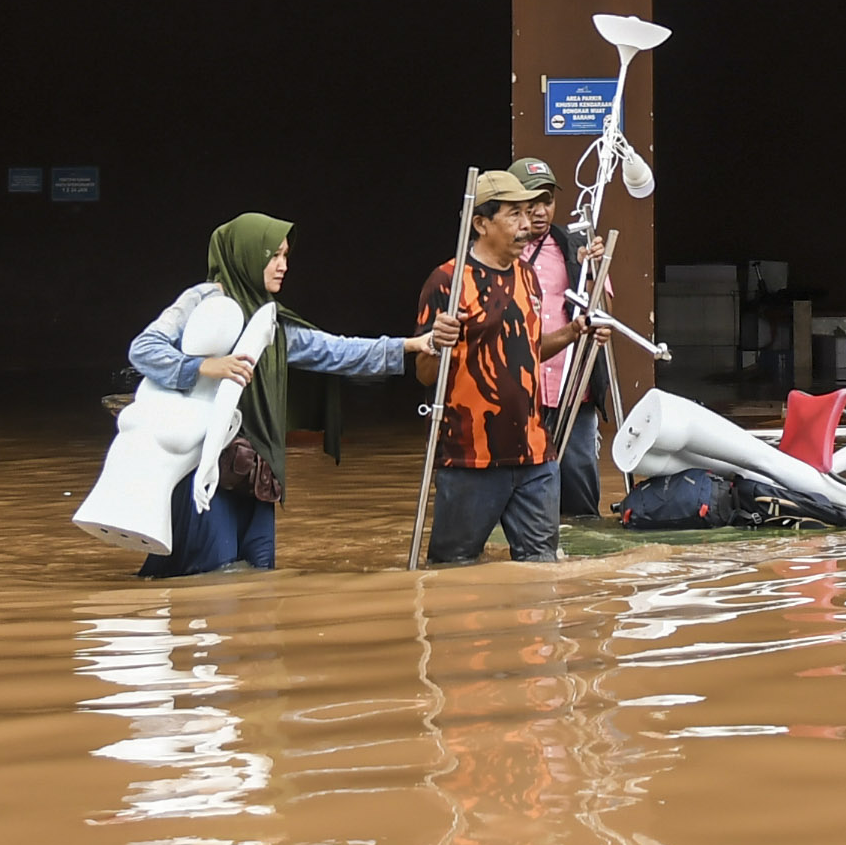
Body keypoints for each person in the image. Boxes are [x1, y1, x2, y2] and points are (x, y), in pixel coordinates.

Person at [122, 212, 440, 578]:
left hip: (253, 464)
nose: (282, 266)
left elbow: (333, 351)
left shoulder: (269, 319)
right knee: (210, 574)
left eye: (286, 256)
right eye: (273, 256)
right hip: (202, 462)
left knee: (258, 575)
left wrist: (412, 345)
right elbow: (144, 349)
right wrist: (203, 367)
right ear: (246, 255)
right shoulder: (203, 301)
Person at [413, 170, 583, 564]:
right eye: (514, 215)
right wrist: (438, 343)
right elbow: (424, 375)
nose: (527, 224)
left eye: (529, 213)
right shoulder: (447, 282)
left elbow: (528, 351)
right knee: (454, 569)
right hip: (470, 456)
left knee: (542, 566)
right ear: (481, 223)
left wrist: (575, 331)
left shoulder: (527, 276)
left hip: (535, 452)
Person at [510, 156, 610, 518]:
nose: (540, 211)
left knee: (579, 473)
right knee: (521, 477)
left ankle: (583, 557)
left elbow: (603, 309)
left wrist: (592, 269)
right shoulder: (499, 253)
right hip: (519, 387)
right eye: (530, 201)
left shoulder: (574, 246)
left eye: (547, 200)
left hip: (572, 386)